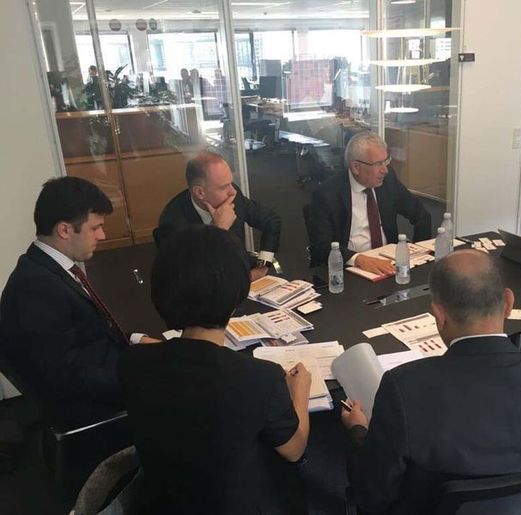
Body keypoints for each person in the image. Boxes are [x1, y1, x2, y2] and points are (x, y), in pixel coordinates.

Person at [341, 250, 521, 514]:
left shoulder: (404, 389)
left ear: (438, 315)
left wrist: (359, 432)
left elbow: (373, 495)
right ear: (508, 303)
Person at [118, 225, 312, 514]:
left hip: (159, 502)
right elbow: (295, 449)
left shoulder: (132, 362)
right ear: (236, 296)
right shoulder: (259, 377)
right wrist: (300, 392)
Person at [0, 177, 155, 424]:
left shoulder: (48, 268)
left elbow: (89, 334)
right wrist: (138, 377)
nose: (102, 235)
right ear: (65, 230)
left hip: (104, 368)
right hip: (90, 408)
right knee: (190, 386)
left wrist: (136, 340)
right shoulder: (37, 287)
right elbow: (65, 377)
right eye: (95, 228)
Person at [310, 131, 431, 274]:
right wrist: (358, 259)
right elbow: (322, 247)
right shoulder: (327, 194)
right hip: (351, 268)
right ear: (356, 167)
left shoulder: (387, 180)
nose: (385, 170)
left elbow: (421, 215)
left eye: (386, 161)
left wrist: (419, 254)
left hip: (388, 263)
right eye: (378, 164)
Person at [157, 151, 281, 281]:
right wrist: (218, 230)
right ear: (200, 192)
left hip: (241, 275)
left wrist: (263, 266)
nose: (233, 191)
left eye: (231, 183)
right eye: (223, 187)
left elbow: (271, 221)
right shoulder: (172, 222)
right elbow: (189, 276)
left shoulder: (232, 196)